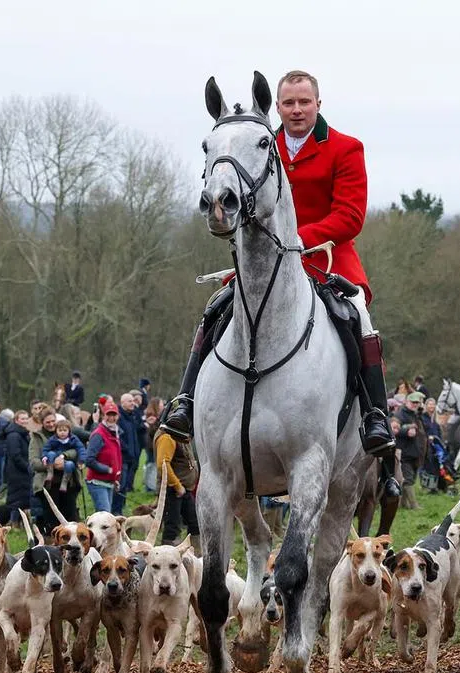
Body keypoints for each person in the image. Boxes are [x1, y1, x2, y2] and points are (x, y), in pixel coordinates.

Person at [160, 69, 399, 496]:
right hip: (265, 269)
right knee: (215, 308)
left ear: (318, 104)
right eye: (288, 103)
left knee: (358, 314)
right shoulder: (257, 144)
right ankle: (185, 403)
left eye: (304, 102)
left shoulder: (345, 148)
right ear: (278, 107)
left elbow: (351, 216)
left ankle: (375, 416)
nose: (296, 110)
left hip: (327, 261)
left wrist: (296, 242)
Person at [154, 412, 200, 548]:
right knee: (172, 528)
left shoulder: (177, 433)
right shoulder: (167, 436)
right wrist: (177, 485)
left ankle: (195, 555)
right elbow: (163, 464)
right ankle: (167, 557)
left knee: (194, 523)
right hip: (174, 489)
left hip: (183, 489)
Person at [84, 399, 122, 513]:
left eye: (114, 415)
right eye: (108, 414)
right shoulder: (98, 435)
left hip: (109, 482)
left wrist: (115, 478)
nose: (111, 418)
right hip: (97, 482)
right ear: (102, 415)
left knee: (106, 515)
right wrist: (108, 470)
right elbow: (89, 460)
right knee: (104, 515)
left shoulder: (115, 433)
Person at [394, 391, 428, 511]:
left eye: (417, 403)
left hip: (414, 453)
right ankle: (414, 505)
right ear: (407, 402)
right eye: (413, 402)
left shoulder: (415, 415)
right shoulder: (400, 415)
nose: (415, 404)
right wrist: (406, 431)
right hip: (404, 453)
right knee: (408, 479)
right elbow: (394, 429)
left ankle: (403, 504)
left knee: (411, 478)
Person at [114, 393, 144, 517]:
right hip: (123, 458)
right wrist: (126, 450)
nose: (133, 403)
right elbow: (118, 437)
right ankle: (116, 510)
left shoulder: (132, 416)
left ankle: (122, 507)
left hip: (132, 457)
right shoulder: (119, 417)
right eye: (130, 401)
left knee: (126, 485)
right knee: (120, 485)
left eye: (133, 401)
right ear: (123, 403)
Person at [3, 409, 33, 526]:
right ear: (16, 420)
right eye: (22, 419)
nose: (25, 421)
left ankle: (20, 522)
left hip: (23, 471)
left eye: (26, 418)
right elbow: (15, 455)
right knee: (17, 499)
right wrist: (27, 467)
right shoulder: (14, 435)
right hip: (17, 472)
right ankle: (13, 521)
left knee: (23, 498)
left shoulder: (23, 433)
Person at [42, 417, 87, 494]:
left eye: (65, 430)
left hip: (67, 460)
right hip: (55, 458)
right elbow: (46, 448)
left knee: (70, 464)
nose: (62, 433)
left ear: (69, 431)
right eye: (60, 430)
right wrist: (44, 456)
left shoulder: (73, 439)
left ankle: (65, 481)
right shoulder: (53, 439)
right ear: (56, 431)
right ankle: (50, 472)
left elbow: (81, 449)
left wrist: (81, 460)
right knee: (50, 453)